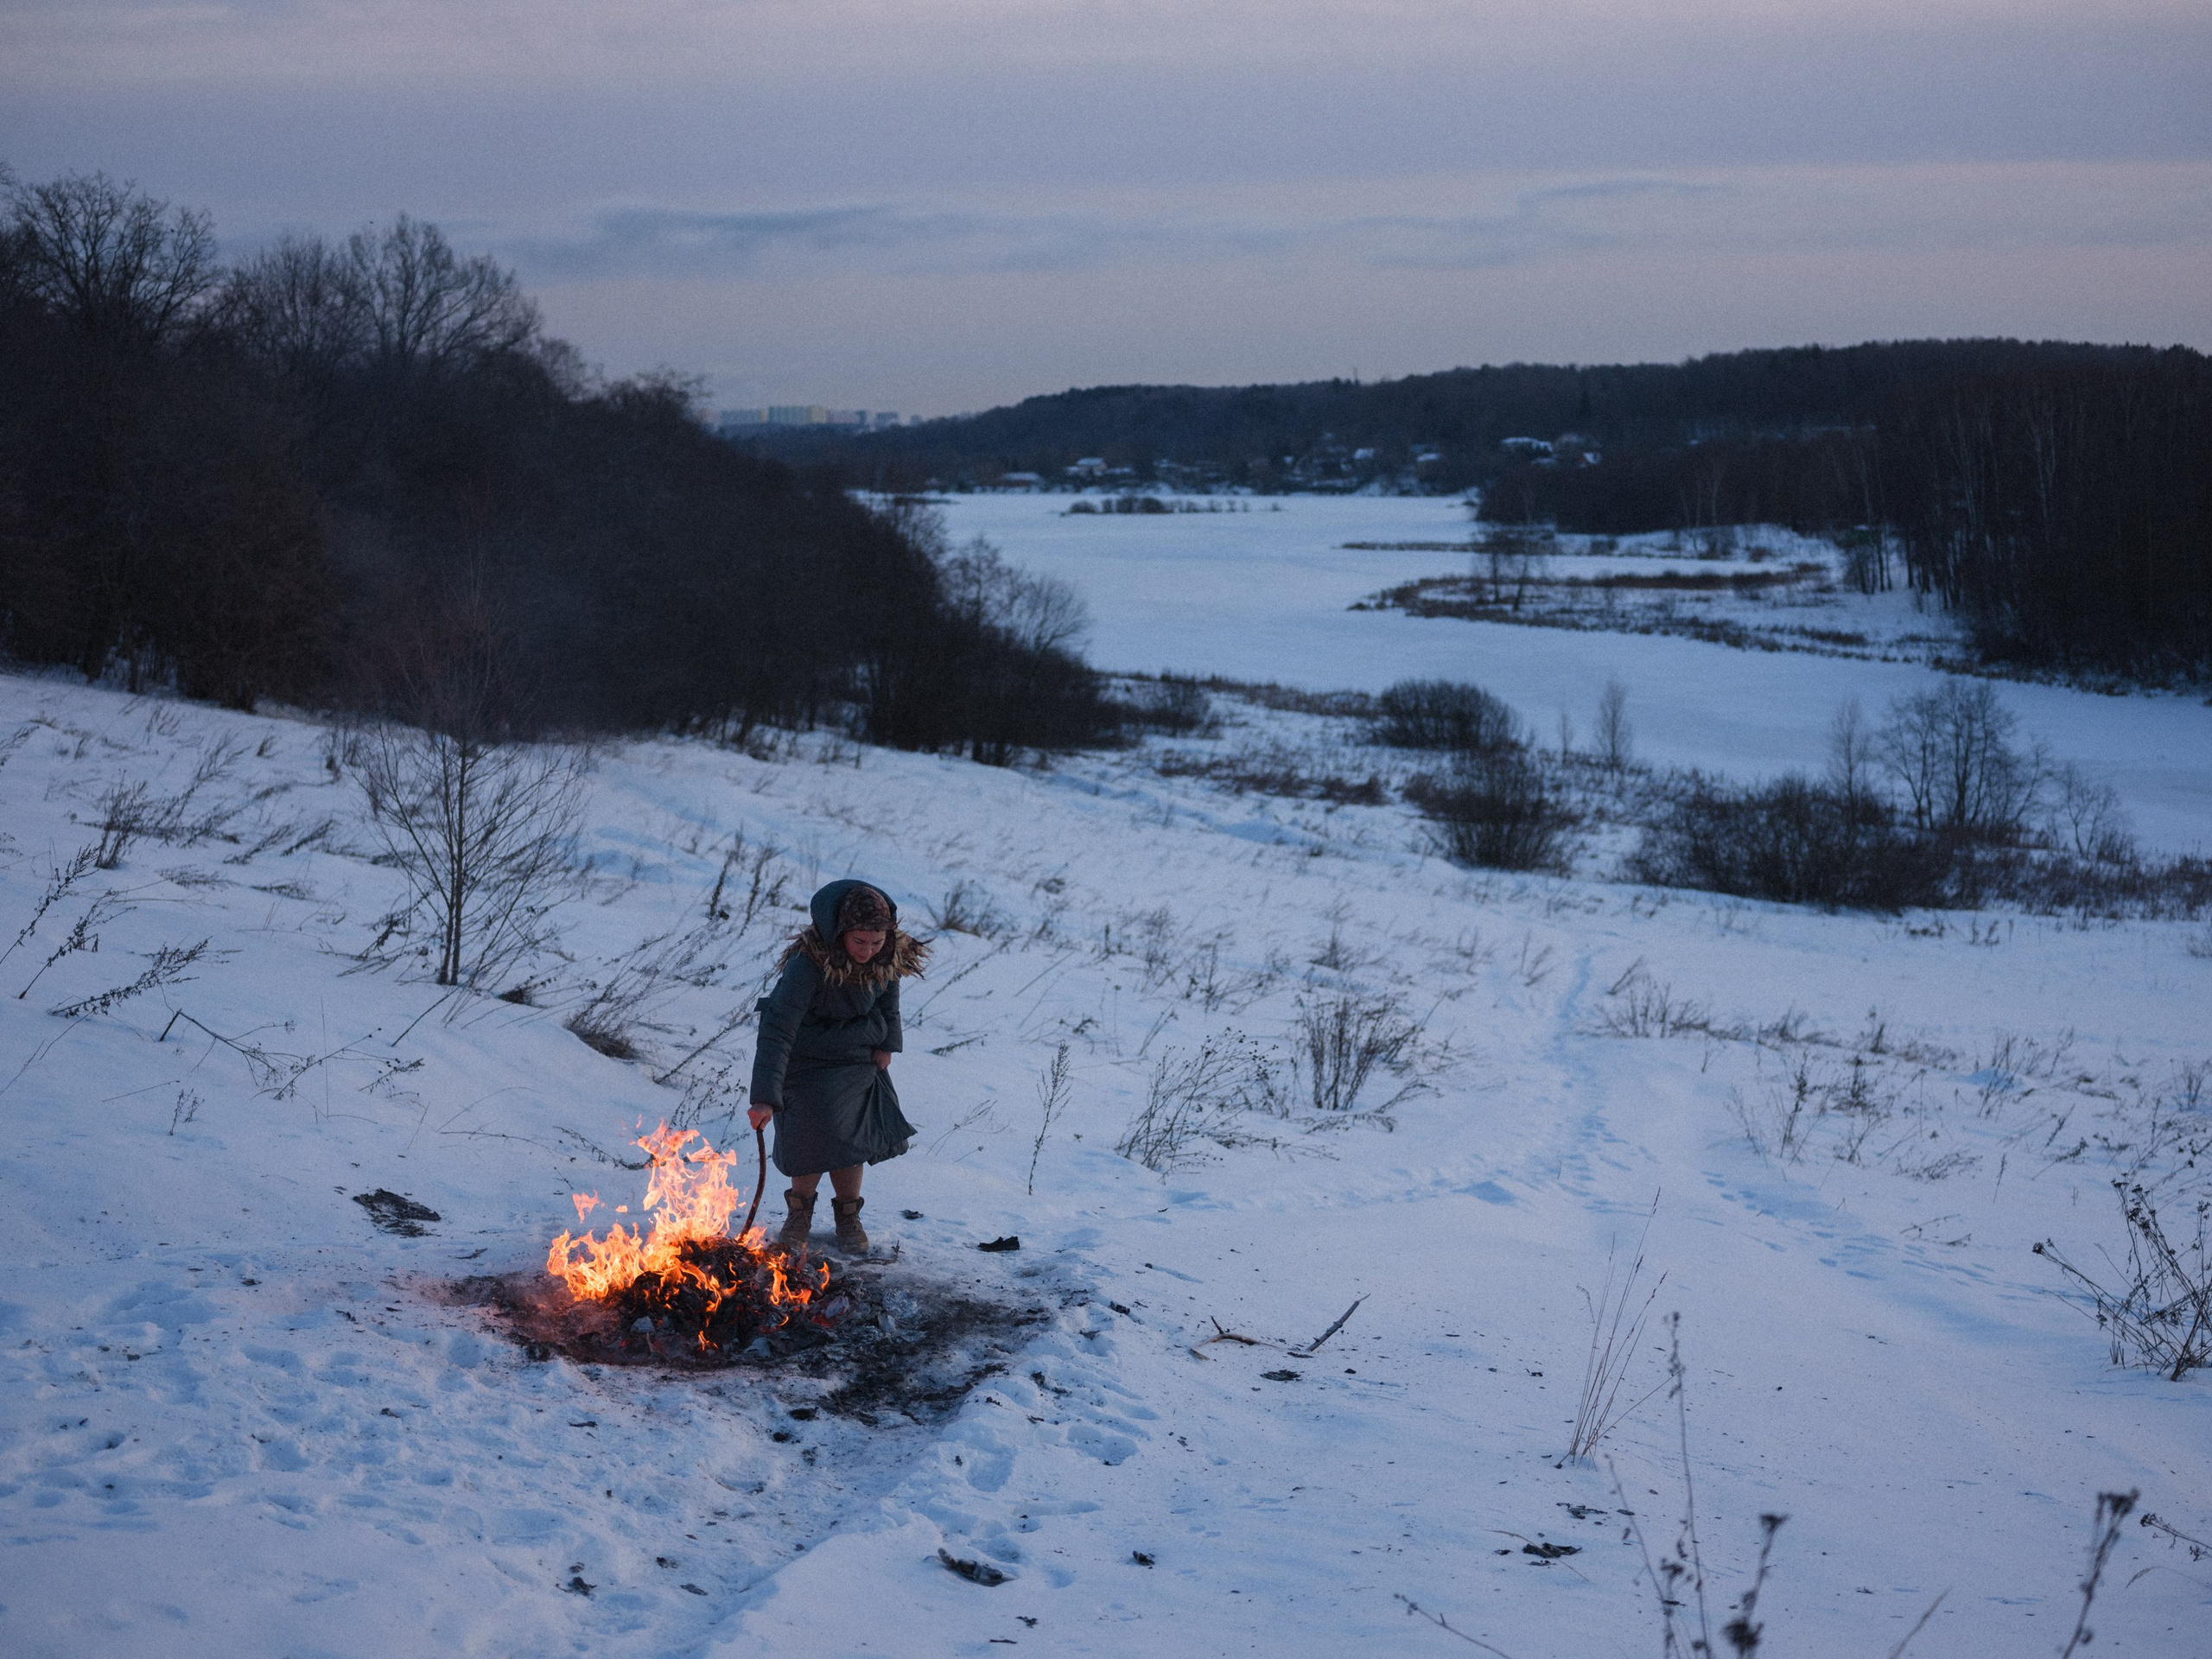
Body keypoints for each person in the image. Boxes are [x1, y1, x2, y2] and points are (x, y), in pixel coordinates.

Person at [748, 879, 926, 1255]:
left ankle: (848, 1215)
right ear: (840, 931)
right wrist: (765, 1097)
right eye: (859, 941)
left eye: (876, 942)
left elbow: (889, 997)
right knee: (811, 1134)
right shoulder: (809, 962)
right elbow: (778, 1027)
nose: (868, 951)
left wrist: (888, 1043)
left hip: (855, 1056)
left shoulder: (887, 954)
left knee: (851, 1139)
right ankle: (799, 1213)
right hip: (807, 1059)